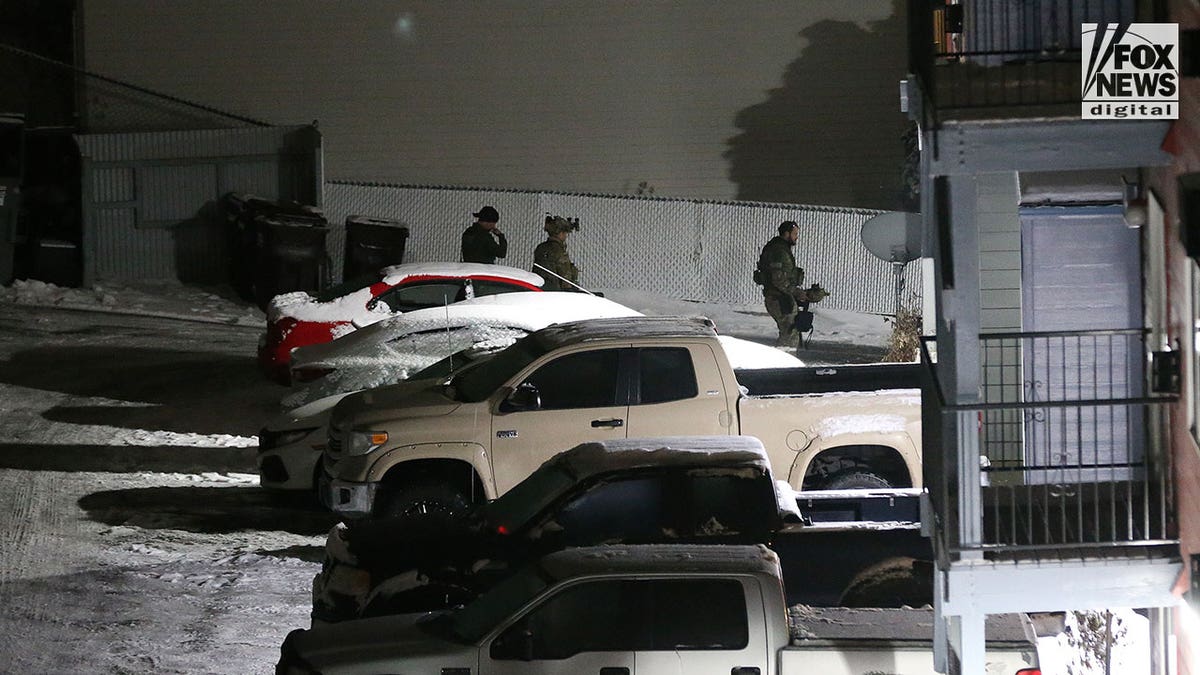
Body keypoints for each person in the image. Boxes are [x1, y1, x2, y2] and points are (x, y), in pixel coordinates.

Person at [755, 220, 829, 348]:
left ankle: (785, 362)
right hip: (779, 298)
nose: (796, 237)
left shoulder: (780, 248)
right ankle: (784, 364)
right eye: (794, 234)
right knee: (789, 336)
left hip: (781, 297)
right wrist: (799, 293)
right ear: (786, 233)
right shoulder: (779, 252)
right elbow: (778, 280)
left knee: (790, 333)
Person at [533, 215, 581, 291]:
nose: (566, 236)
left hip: (539, 288)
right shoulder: (558, 250)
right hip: (555, 291)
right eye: (565, 233)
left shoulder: (541, 248)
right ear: (560, 233)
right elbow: (565, 275)